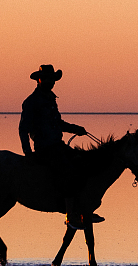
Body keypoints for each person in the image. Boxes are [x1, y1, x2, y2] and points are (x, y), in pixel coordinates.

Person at [19, 65, 97, 229]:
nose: (50, 82)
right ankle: (70, 216)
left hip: (57, 145)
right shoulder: (32, 102)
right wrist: (28, 152)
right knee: (67, 170)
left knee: (82, 163)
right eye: (46, 79)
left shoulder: (51, 99)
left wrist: (75, 129)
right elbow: (23, 129)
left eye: (52, 79)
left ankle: (82, 209)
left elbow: (57, 123)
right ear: (39, 80)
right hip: (44, 148)